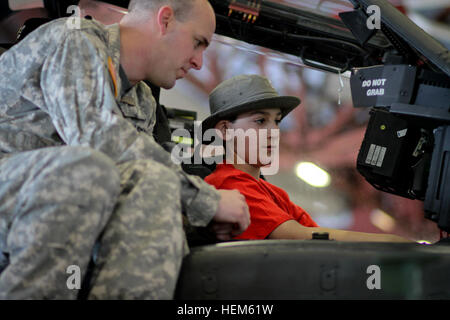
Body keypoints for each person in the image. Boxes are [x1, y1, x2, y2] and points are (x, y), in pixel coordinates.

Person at [0, 0, 250, 300]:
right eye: (198, 43)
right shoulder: (75, 39)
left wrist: (207, 223)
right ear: (166, 20)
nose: (198, 62)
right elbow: (95, 136)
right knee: (89, 168)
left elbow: (146, 182)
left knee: (155, 183)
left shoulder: (142, 101)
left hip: (51, 213)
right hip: (13, 191)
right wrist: (206, 201)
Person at [203, 74, 411, 242]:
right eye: (260, 121)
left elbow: (317, 234)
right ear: (224, 130)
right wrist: (392, 243)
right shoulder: (228, 185)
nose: (274, 131)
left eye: (276, 121)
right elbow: (300, 236)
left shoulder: (273, 193)